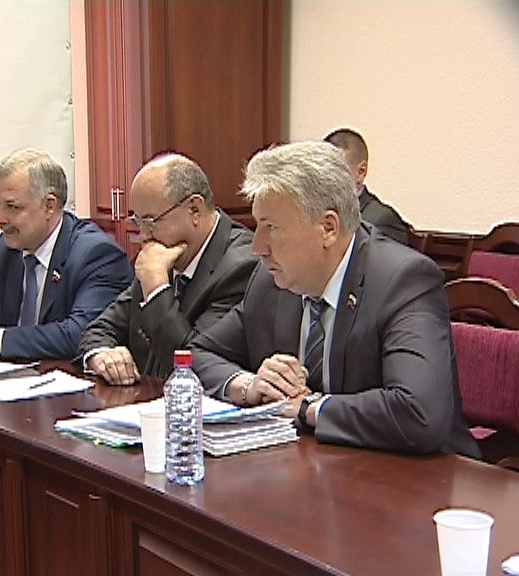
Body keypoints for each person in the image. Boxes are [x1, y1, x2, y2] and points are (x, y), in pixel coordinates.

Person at [190, 141, 479, 457]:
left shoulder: (404, 281)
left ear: (328, 228)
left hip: (421, 473)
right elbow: (194, 355)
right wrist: (249, 386)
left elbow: (418, 412)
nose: (257, 247)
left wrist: (308, 408)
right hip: (315, 466)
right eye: (258, 226)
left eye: (271, 227)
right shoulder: (270, 281)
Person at [74, 153, 257, 385]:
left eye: (150, 222)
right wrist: (102, 356)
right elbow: (99, 329)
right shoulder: (164, 253)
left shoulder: (241, 267)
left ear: (195, 210)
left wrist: (156, 287)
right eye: (138, 223)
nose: (143, 236)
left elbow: (193, 365)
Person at [0, 148, 133, 360]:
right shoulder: (7, 250)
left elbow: (81, 333)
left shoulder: (96, 255)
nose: (0, 218)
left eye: (12, 207)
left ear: (49, 206)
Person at [324, 128, 409, 245]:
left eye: (335, 171)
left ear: (361, 172)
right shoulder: (313, 214)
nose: (326, 178)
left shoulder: (381, 221)